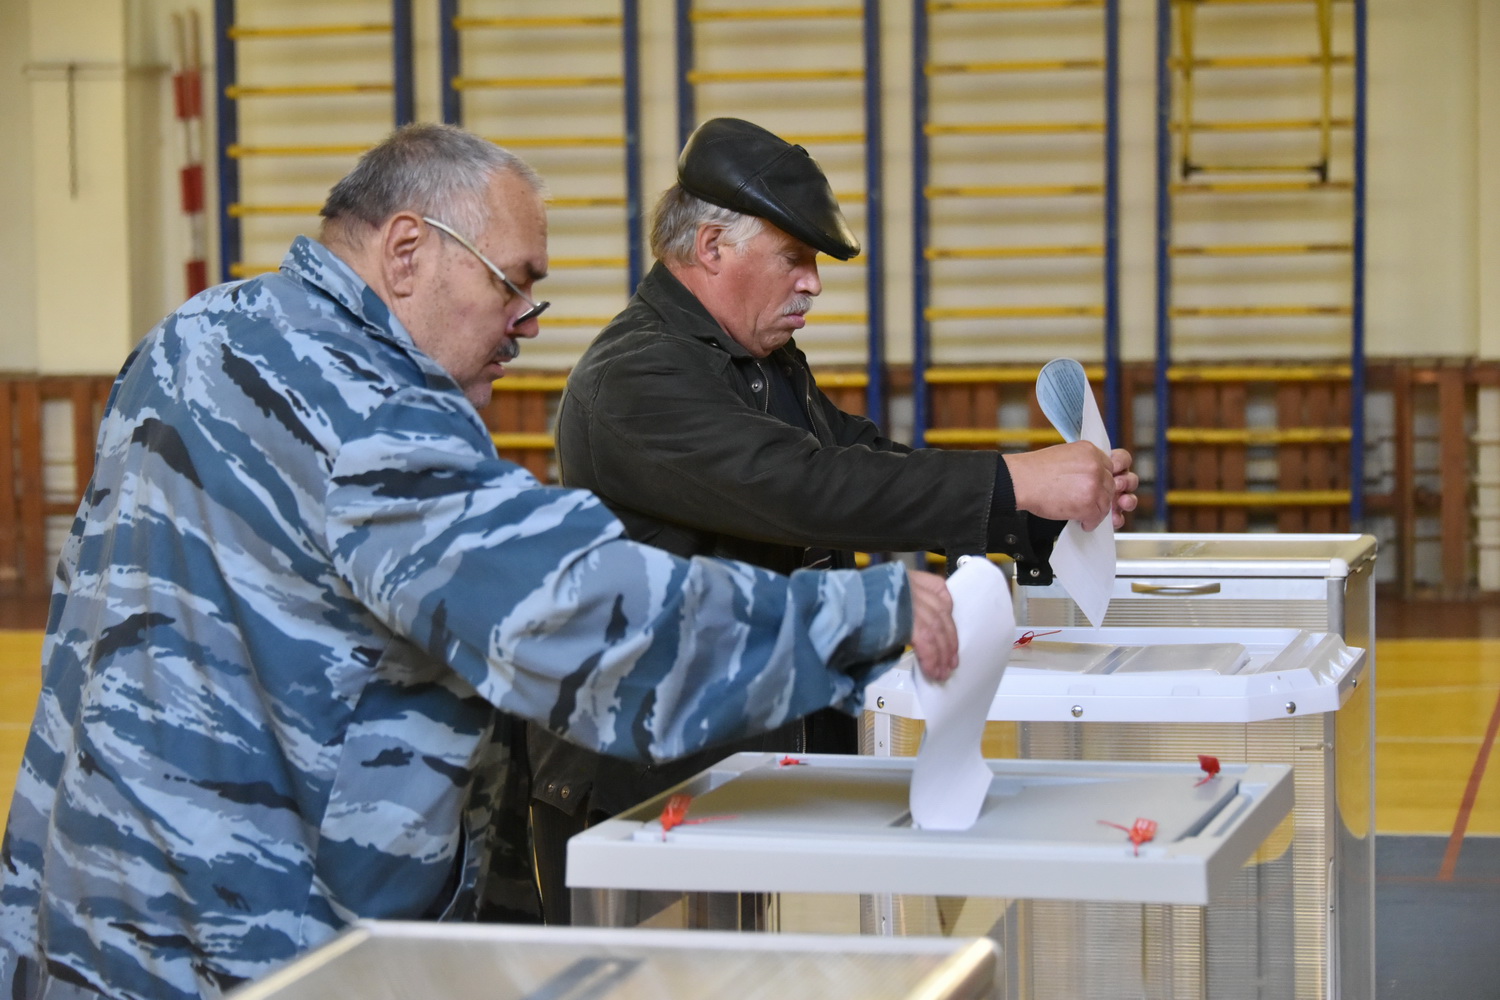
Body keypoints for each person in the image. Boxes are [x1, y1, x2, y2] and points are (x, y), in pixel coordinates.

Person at [0, 123, 962, 1000]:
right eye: (512, 282)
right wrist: (866, 614)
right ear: (407, 251)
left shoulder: (195, 335)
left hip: (83, 911)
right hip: (258, 951)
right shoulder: (373, 406)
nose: (528, 320)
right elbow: (588, 623)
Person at [527, 117, 1139, 922]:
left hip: (755, 764)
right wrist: (1017, 480)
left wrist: (1040, 516)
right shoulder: (635, 377)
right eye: (795, 257)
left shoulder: (757, 362)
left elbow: (864, 458)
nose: (812, 283)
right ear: (711, 249)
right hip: (651, 792)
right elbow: (805, 490)